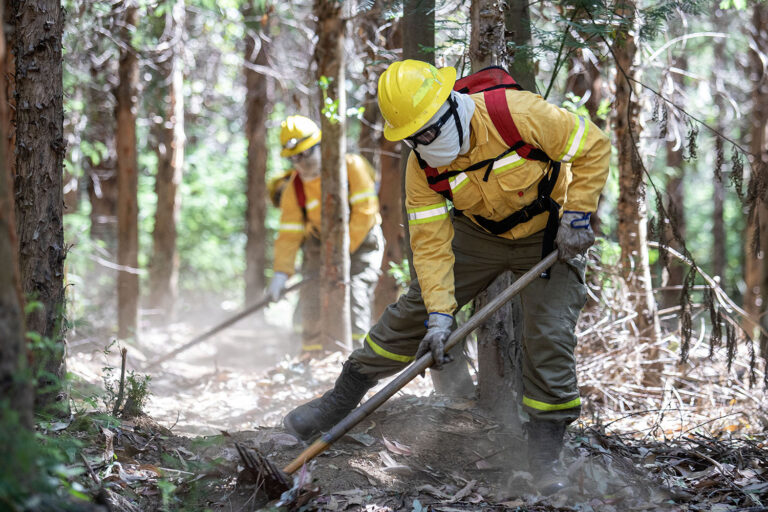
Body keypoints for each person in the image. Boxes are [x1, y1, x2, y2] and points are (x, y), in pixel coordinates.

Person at [282, 61, 611, 490]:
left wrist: (579, 216)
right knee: (414, 312)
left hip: (550, 234)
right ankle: (337, 402)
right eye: (413, 137)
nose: (422, 143)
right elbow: (431, 244)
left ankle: (544, 455)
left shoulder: (515, 113)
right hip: (479, 235)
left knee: (549, 334)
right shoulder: (421, 167)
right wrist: (440, 316)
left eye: (427, 132)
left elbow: (593, 145)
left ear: (450, 106)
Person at [267, 115, 384, 351]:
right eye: (294, 158)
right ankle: (310, 356)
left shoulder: (351, 167)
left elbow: (365, 214)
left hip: (361, 244)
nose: (300, 163)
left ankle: (357, 359)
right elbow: (289, 235)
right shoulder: (294, 188)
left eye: (304, 154)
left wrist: (339, 255)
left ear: (320, 145)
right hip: (319, 245)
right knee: (311, 299)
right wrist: (281, 273)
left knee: (354, 294)